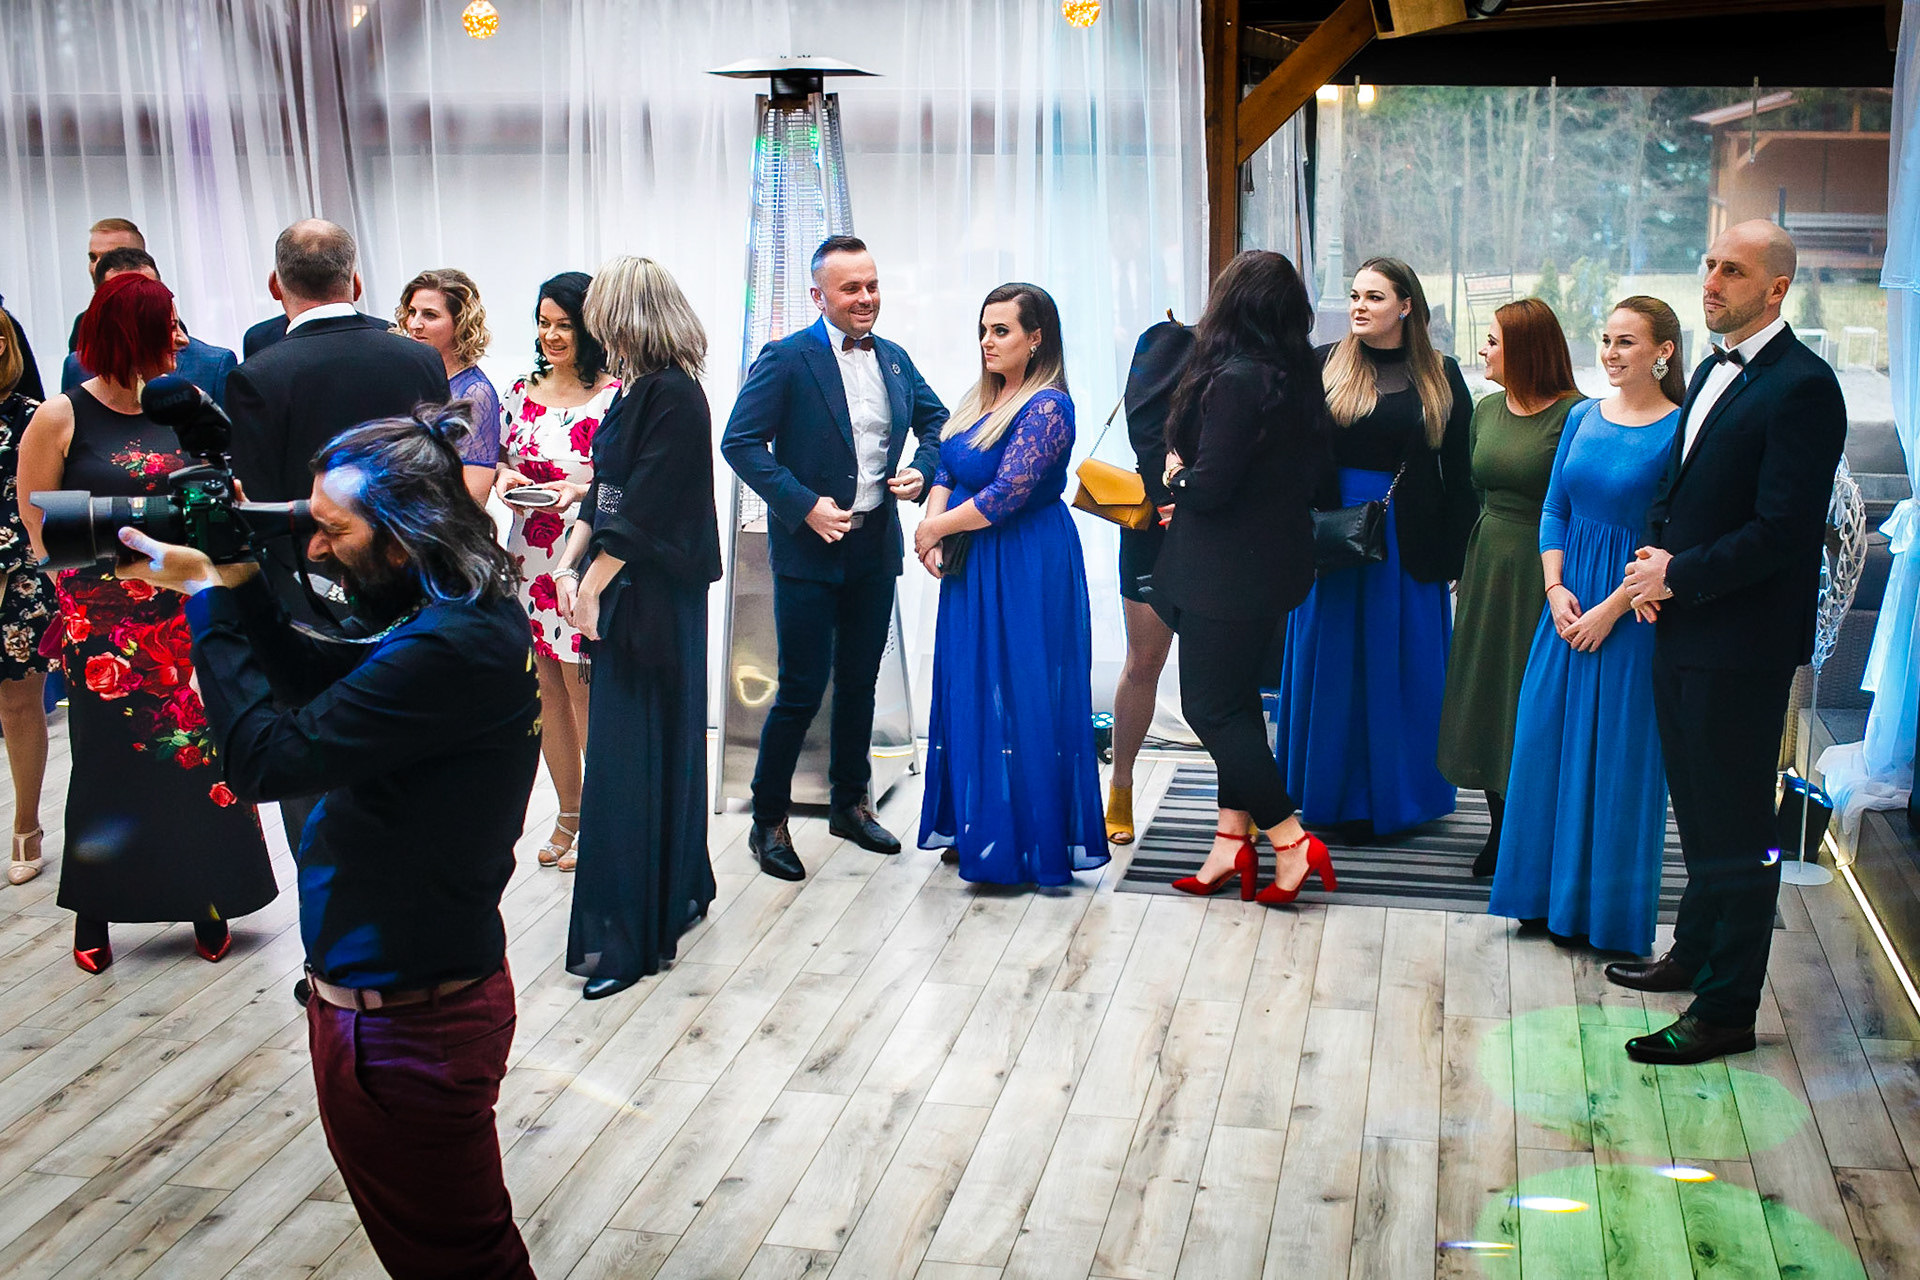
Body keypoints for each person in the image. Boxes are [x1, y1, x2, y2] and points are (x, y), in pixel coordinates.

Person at [118, 404, 541, 1280]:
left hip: (410, 1028)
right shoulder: (458, 608)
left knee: (463, 1264)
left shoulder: (453, 644)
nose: (312, 548)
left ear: (405, 539)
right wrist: (237, 579)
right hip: (404, 1003)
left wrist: (207, 600)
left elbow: (265, 759)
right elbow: (319, 676)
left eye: (333, 531)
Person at [1611, 222, 1847, 1066]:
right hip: (1682, 623)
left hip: (1741, 642)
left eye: (1732, 270)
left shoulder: (1805, 387)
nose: (1710, 279)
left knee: (1742, 826)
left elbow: (1785, 531)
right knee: (1698, 809)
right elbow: (1675, 487)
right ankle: (1693, 951)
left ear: (1776, 289)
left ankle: (1725, 1010)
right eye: (1709, 263)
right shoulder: (1712, 367)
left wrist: (1679, 574)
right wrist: (1651, 565)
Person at [16, 273, 276, 971]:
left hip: (183, 608)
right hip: (102, 623)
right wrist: (81, 599)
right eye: (168, 325)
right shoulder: (62, 415)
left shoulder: (183, 407)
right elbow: (37, 521)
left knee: (197, 756)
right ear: (134, 332)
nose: (179, 338)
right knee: (105, 765)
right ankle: (95, 909)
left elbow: (221, 498)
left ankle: (207, 896)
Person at [720, 235, 948, 880]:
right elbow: (739, 442)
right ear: (818, 296)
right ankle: (768, 821)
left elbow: (938, 422)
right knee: (799, 689)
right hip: (809, 550)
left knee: (859, 682)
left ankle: (851, 803)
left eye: (872, 285)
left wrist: (924, 470)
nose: (866, 298)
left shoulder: (894, 359)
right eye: (851, 288)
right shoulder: (787, 358)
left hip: (875, 547)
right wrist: (803, 505)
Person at [225, 218, 448, 854]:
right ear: (356, 280)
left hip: (310, 602)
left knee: (317, 768)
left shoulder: (259, 375)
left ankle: (327, 903)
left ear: (277, 285)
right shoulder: (418, 359)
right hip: (416, 587)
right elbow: (440, 480)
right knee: (417, 754)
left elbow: (260, 511)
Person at [544, 257, 722, 998]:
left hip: (655, 595)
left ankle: (630, 932)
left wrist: (591, 584)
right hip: (629, 584)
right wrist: (568, 562)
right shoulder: (636, 390)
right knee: (642, 747)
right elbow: (607, 491)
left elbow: (646, 507)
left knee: (631, 756)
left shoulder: (674, 394)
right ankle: (673, 890)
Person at [1489, 297, 1684, 955]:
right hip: (1566, 608)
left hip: (1632, 615)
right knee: (1544, 744)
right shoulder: (1581, 416)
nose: (1610, 352)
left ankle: (1606, 920)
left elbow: (1674, 539)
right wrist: (1555, 590)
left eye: (1626, 341)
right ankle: (1538, 899)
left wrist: (1610, 609)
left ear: (1663, 352)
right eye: (1606, 339)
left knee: (1617, 763)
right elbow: (1555, 510)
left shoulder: (1680, 431)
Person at [1153, 251, 1334, 905]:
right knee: (1237, 706)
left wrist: (1177, 477)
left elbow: (1211, 485)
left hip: (1223, 573)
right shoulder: (1297, 374)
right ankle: (1231, 841)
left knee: (1208, 707)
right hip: (1274, 566)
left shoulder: (1235, 377)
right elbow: (1313, 481)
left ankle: (1290, 839)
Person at [910, 283, 1105, 885]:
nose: (988, 342)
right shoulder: (982, 396)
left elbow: (1005, 495)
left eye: (1002, 331)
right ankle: (978, 823)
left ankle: (1030, 834)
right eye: (984, 330)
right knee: (970, 685)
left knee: (1024, 692)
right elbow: (946, 466)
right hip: (972, 563)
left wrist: (936, 528)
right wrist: (931, 528)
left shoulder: (1047, 407)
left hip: (1026, 562)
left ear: (1036, 338)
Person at [1276, 257, 1474, 840]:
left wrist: (1459, 556)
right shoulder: (1323, 363)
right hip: (1333, 536)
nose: (1359, 306)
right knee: (1332, 666)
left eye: (1375, 297)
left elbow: (1461, 472)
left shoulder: (1442, 373)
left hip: (1409, 540)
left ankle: (1401, 797)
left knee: (1404, 671)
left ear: (1406, 306)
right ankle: (1328, 793)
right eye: (1356, 295)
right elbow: (1290, 453)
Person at [1437, 298, 1580, 876]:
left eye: (1493, 341)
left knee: (1531, 697)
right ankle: (1499, 828)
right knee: (1487, 692)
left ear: (1526, 349)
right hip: (1486, 562)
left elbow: (1574, 502)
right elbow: (1472, 489)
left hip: (1541, 568)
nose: (1483, 350)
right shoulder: (1487, 408)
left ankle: (1534, 832)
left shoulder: (1575, 415)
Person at [495, 271, 620, 871]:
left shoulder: (615, 395)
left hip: (583, 556)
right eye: (543, 324)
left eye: (564, 325)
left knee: (582, 689)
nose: (551, 335)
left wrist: (579, 492)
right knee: (545, 692)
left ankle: (603, 818)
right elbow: (495, 459)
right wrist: (506, 479)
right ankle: (568, 811)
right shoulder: (520, 390)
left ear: (590, 327)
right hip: (527, 557)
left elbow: (623, 481)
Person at [1105, 318, 1192, 845]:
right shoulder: (1173, 340)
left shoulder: (1268, 356)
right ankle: (1120, 786)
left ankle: (1243, 795)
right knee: (1143, 663)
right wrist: (1169, 498)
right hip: (1156, 525)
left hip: (1223, 529)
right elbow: (1145, 425)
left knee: (1225, 676)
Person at [0, 311, 55, 885]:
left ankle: (26, 823)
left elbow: (40, 506)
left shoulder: (30, 416)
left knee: (18, 703)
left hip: (14, 574)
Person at [62, 247, 238, 407]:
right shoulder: (77, 367)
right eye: (124, 295)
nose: (139, 302)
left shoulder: (213, 365)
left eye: (147, 289)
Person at [395, 269, 501, 504]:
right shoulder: (404, 375)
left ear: (460, 322)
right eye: (412, 312)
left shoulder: (474, 393)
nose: (415, 324)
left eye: (430, 315)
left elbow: (474, 493)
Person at [66, 218, 145, 352]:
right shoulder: (84, 323)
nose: (97, 268)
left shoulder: (165, 320)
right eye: (93, 258)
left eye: (109, 258)